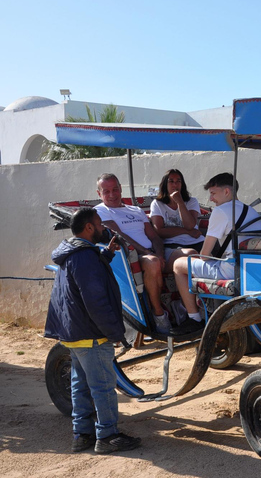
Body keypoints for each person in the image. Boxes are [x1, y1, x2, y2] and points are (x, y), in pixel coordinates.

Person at [44, 208, 142, 454]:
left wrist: (107, 255)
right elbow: (95, 301)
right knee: (103, 386)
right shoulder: (85, 257)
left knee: (80, 385)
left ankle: (82, 435)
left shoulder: (75, 252)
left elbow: (85, 279)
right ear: (89, 227)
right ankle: (107, 436)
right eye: (99, 224)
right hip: (91, 335)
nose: (103, 228)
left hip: (74, 334)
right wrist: (114, 333)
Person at [172, 173, 261, 335]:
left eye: (213, 193)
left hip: (230, 270)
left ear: (227, 192)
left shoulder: (220, 211)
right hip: (251, 269)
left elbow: (205, 256)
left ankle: (194, 318)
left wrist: (198, 257)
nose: (210, 199)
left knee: (179, 265)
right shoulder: (251, 210)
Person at [95, 173, 169, 334]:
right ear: (99, 194)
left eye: (115, 189)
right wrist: (147, 252)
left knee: (188, 257)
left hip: (151, 253)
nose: (112, 194)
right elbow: (119, 235)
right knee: (153, 262)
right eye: (106, 191)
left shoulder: (135, 210)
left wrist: (160, 253)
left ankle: (192, 315)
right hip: (130, 257)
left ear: (121, 189)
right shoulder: (101, 211)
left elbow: (154, 236)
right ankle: (158, 313)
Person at [149, 169, 205, 271]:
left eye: (178, 181)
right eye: (171, 181)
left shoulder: (191, 201)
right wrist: (186, 231)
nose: (175, 184)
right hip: (173, 245)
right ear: (165, 184)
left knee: (212, 255)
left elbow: (190, 225)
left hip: (197, 241)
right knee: (190, 255)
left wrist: (180, 202)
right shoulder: (157, 204)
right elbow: (159, 231)